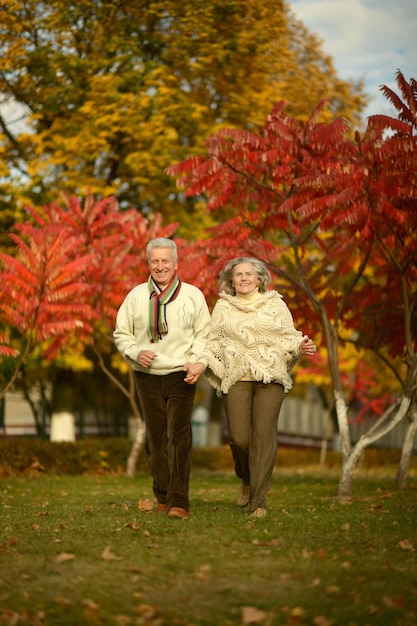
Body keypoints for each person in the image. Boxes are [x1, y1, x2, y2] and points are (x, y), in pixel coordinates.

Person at [184, 257, 316, 519]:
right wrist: (201, 363)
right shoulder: (223, 308)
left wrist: (300, 347)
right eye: (238, 274)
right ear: (231, 280)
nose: (244, 278)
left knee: (263, 437)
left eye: (249, 274)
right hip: (235, 376)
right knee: (240, 439)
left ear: (259, 278)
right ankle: (246, 478)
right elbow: (212, 344)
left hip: (271, 375)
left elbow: (289, 337)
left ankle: (259, 501)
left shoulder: (276, 304)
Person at [114, 237, 210, 519]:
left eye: (165, 260)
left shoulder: (193, 295)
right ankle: (163, 492)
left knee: (179, 436)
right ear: (148, 264)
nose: (160, 266)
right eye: (154, 261)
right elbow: (122, 333)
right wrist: (135, 352)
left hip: (182, 374)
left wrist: (199, 363)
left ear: (176, 263)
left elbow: (205, 335)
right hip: (147, 376)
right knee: (155, 439)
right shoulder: (135, 296)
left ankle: (179, 500)